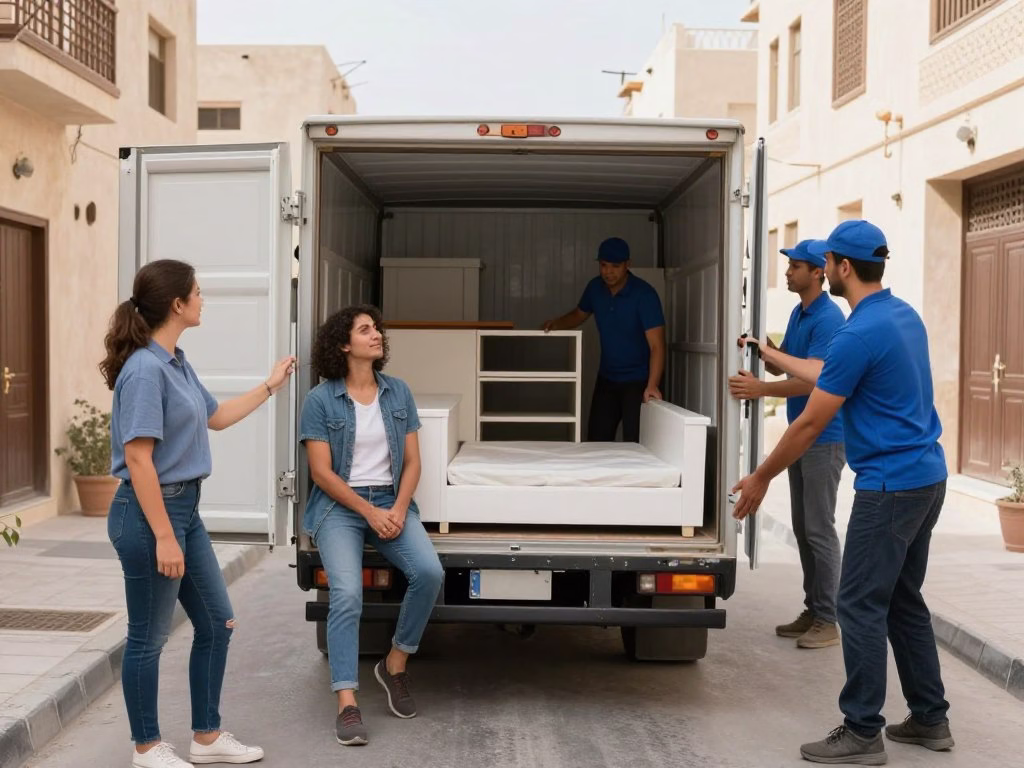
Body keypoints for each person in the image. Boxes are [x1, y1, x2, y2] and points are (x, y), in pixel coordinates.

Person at [731, 220, 952, 765]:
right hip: (928, 476)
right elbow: (826, 371)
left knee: (857, 603)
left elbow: (808, 425)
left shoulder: (856, 332)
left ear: (843, 268)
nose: (824, 268)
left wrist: (760, 476)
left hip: (890, 487)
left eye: (827, 261)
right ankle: (929, 718)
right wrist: (773, 360)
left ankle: (861, 730)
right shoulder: (900, 316)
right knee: (902, 599)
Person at [101, 259, 295, 768]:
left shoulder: (175, 361)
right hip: (149, 516)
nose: (204, 299)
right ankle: (146, 747)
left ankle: (206, 737)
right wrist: (165, 536)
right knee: (148, 637)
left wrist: (271, 384)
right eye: (198, 293)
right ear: (177, 304)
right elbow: (139, 458)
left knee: (216, 622)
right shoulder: (145, 369)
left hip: (184, 511)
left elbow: (217, 417)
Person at [299, 304, 443, 747]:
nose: (377, 334)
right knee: (346, 592)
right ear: (344, 344)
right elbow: (322, 473)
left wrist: (398, 508)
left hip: (391, 501)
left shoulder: (397, 392)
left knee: (430, 573)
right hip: (340, 506)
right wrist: (369, 512)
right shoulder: (321, 400)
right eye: (365, 330)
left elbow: (414, 461)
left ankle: (394, 664)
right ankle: (347, 702)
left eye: (376, 328)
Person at [729, 239, 846, 650]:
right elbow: (793, 363)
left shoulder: (828, 318)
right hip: (803, 436)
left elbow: (814, 378)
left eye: (796, 266)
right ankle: (814, 609)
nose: (787, 272)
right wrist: (766, 350)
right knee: (803, 527)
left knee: (819, 528)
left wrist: (761, 388)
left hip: (824, 438)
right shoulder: (800, 312)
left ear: (818, 272)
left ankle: (828, 619)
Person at [542, 237, 666, 442]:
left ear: (628, 264)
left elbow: (657, 346)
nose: (608, 272)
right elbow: (578, 315)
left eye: (615, 266)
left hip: (638, 382)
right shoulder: (595, 288)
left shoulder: (645, 295)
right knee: (596, 441)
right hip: (607, 379)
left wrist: (652, 385)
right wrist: (555, 323)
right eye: (603, 265)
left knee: (636, 444)